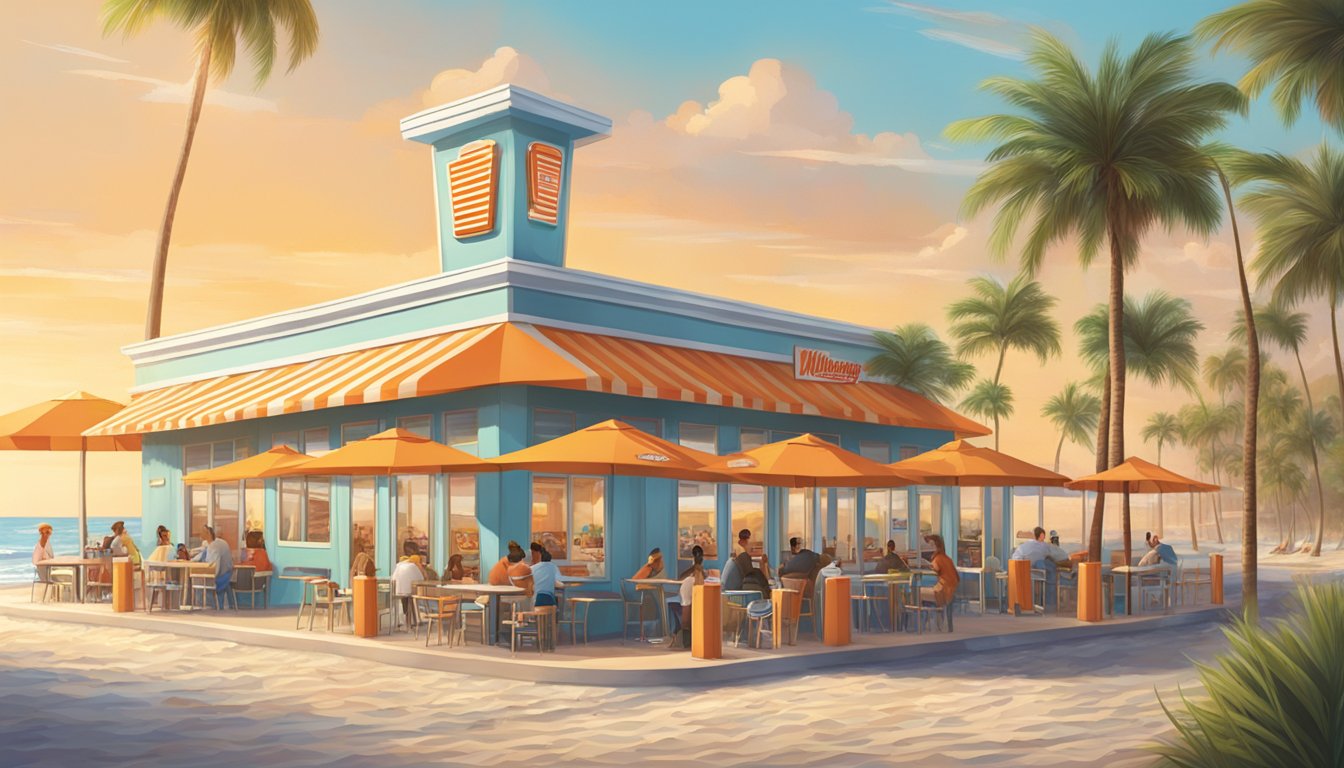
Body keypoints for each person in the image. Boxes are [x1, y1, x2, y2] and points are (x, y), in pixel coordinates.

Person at [191, 525, 234, 597]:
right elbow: (202, 552)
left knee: (197, 584)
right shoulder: (218, 543)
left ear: (208, 533)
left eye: (202, 532)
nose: (199, 534)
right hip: (227, 576)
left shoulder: (214, 547)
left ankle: (207, 606)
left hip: (220, 579)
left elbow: (214, 570)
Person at [924, 534, 960, 608]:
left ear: (937, 546)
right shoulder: (947, 558)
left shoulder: (937, 559)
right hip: (951, 588)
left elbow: (932, 574)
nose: (929, 547)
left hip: (943, 590)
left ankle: (921, 615)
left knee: (916, 593)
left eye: (931, 545)